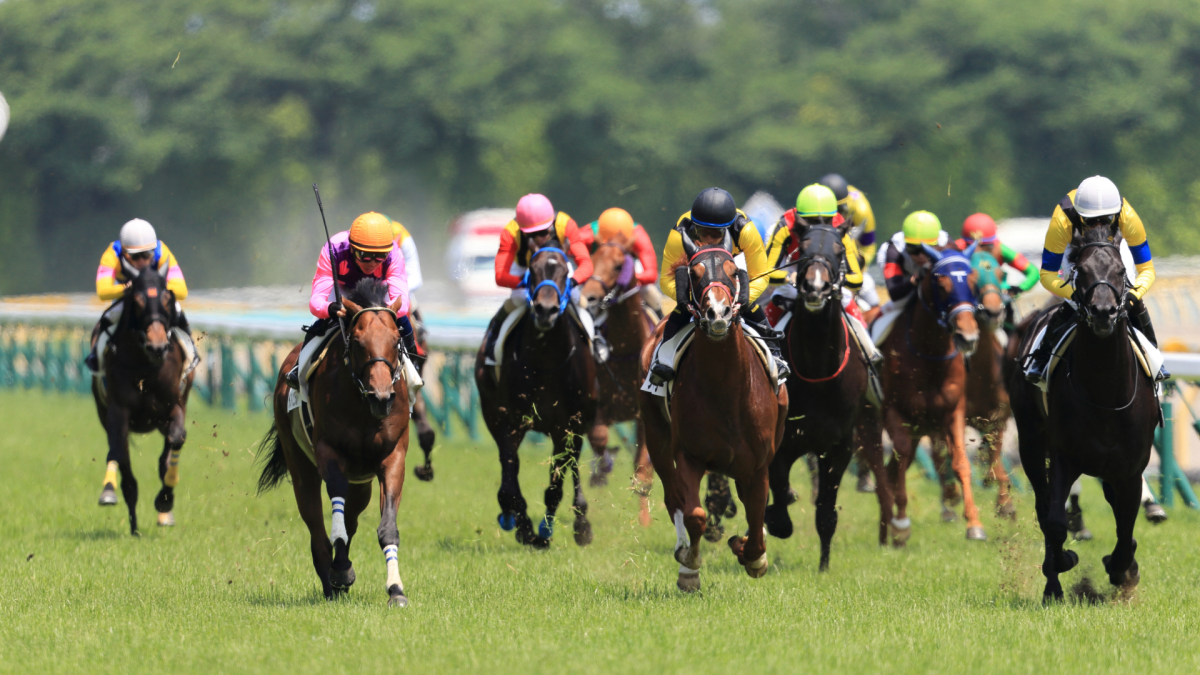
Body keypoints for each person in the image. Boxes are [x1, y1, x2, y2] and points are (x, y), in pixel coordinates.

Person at [1024, 175, 1166, 386]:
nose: (1098, 224)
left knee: (1129, 296)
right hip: (1076, 248)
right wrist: (1073, 295)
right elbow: (1046, 275)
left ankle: (1154, 357)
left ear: (1116, 214)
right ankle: (1043, 355)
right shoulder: (1062, 219)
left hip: (1115, 247)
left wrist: (1133, 295)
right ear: (1080, 216)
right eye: (1090, 221)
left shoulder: (1127, 216)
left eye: (1106, 220)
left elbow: (1147, 269)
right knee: (1077, 300)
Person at [648, 187, 787, 385]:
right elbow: (666, 280)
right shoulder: (680, 233)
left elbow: (761, 276)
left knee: (748, 305)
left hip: (731, 265)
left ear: (728, 229)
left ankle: (775, 357)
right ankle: (663, 360)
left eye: (715, 234)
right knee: (681, 308)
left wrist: (738, 298)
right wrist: (692, 300)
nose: (708, 240)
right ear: (694, 227)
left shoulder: (745, 230)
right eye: (702, 233)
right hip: (698, 272)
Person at [284, 212, 415, 389]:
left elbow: (402, 302)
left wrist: (381, 309)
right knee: (321, 323)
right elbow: (316, 302)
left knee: (403, 321)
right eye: (365, 255)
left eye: (380, 256)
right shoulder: (334, 249)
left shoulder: (394, 254)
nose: (373, 262)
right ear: (352, 248)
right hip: (343, 289)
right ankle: (300, 368)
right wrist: (329, 308)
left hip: (376, 290)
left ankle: (413, 369)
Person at [765, 184, 880, 363]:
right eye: (810, 221)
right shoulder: (784, 226)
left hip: (827, 273)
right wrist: (789, 277)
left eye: (824, 220)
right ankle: (767, 348)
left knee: (847, 298)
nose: (817, 227)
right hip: (794, 268)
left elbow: (857, 279)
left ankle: (869, 353)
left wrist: (837, 281)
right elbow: (766, 271)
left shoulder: (840, 226)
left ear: (832, 218)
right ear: (798, 218)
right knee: (781, 294)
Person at [482, 193, 594, 365]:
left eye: (543, 232)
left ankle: (596, 341)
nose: (539, 239)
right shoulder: (510, 232)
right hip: (524, 268)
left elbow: (586, 264)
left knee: (576, 297)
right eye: (532, 235)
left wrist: (572, 282)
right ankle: (494, 338)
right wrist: (522, 282)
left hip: (557, 268)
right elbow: (500, 276)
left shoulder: (565, 224)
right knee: (518, 299)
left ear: (551, 224)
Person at [86, 218, 197, 374]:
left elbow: (181, 291)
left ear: (153, 250)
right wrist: (127, 288)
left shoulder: (162, 251)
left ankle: (191, 349)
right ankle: (96, 354)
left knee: (178, 311)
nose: (142, 260)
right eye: (135, 256)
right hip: (128, 297)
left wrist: (157, 288)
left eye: (147, 254)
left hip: (155, 296)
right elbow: (103, 291)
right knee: (109, 318)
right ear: (124, 252)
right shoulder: (111, 254)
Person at [819, 174, 882, 317]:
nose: (834, 219)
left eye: (839, 211)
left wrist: (857, 270)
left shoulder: (861, 210)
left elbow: (868, 246)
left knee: (875, 306)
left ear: (847, 206)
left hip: (849, 259)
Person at [582, 207, 662, 313]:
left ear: (629, 241)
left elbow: (651, 275)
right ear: (599, 238)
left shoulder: (638, 236)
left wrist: (626, 278)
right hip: (597, 272)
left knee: (649, 291)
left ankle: (661, 320)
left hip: (629, 268)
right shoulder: (586, 236)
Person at [954, 213, 1039, 296]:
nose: (979, 251)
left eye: (986, 247)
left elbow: (1033, 272)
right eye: (972, 247)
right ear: (965, 243)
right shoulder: (956, 249)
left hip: (999, 295)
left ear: (993, 243)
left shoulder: (1001, 249)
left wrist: (1020, 288)